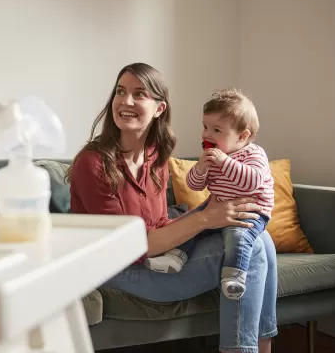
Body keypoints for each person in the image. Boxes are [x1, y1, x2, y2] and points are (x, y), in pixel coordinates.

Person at [66, 63, 277, 353]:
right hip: (115, 269)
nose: (126, 101)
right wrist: (205, 218)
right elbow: (129, 247)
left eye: (139, 94)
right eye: (120, 92)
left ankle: (262, 346)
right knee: (251, 246)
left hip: (152, 254)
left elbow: (161, 223)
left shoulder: (156, 156)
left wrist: (208, 215)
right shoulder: (92, 164)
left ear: (159, 108)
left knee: (259, 235)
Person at [144, 89, 274, 301]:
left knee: (238, 237)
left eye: (216, 130)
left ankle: (234, 275)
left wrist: (224, 162)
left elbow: (252, 181)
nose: (207, 134)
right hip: (218, 205)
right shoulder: (212, 156)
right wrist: (201, 168)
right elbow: (194, 185)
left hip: (249, 212)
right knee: (187, 223)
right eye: (205, 127)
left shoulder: (253, 154)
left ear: (243, 136)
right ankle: (176, 256)